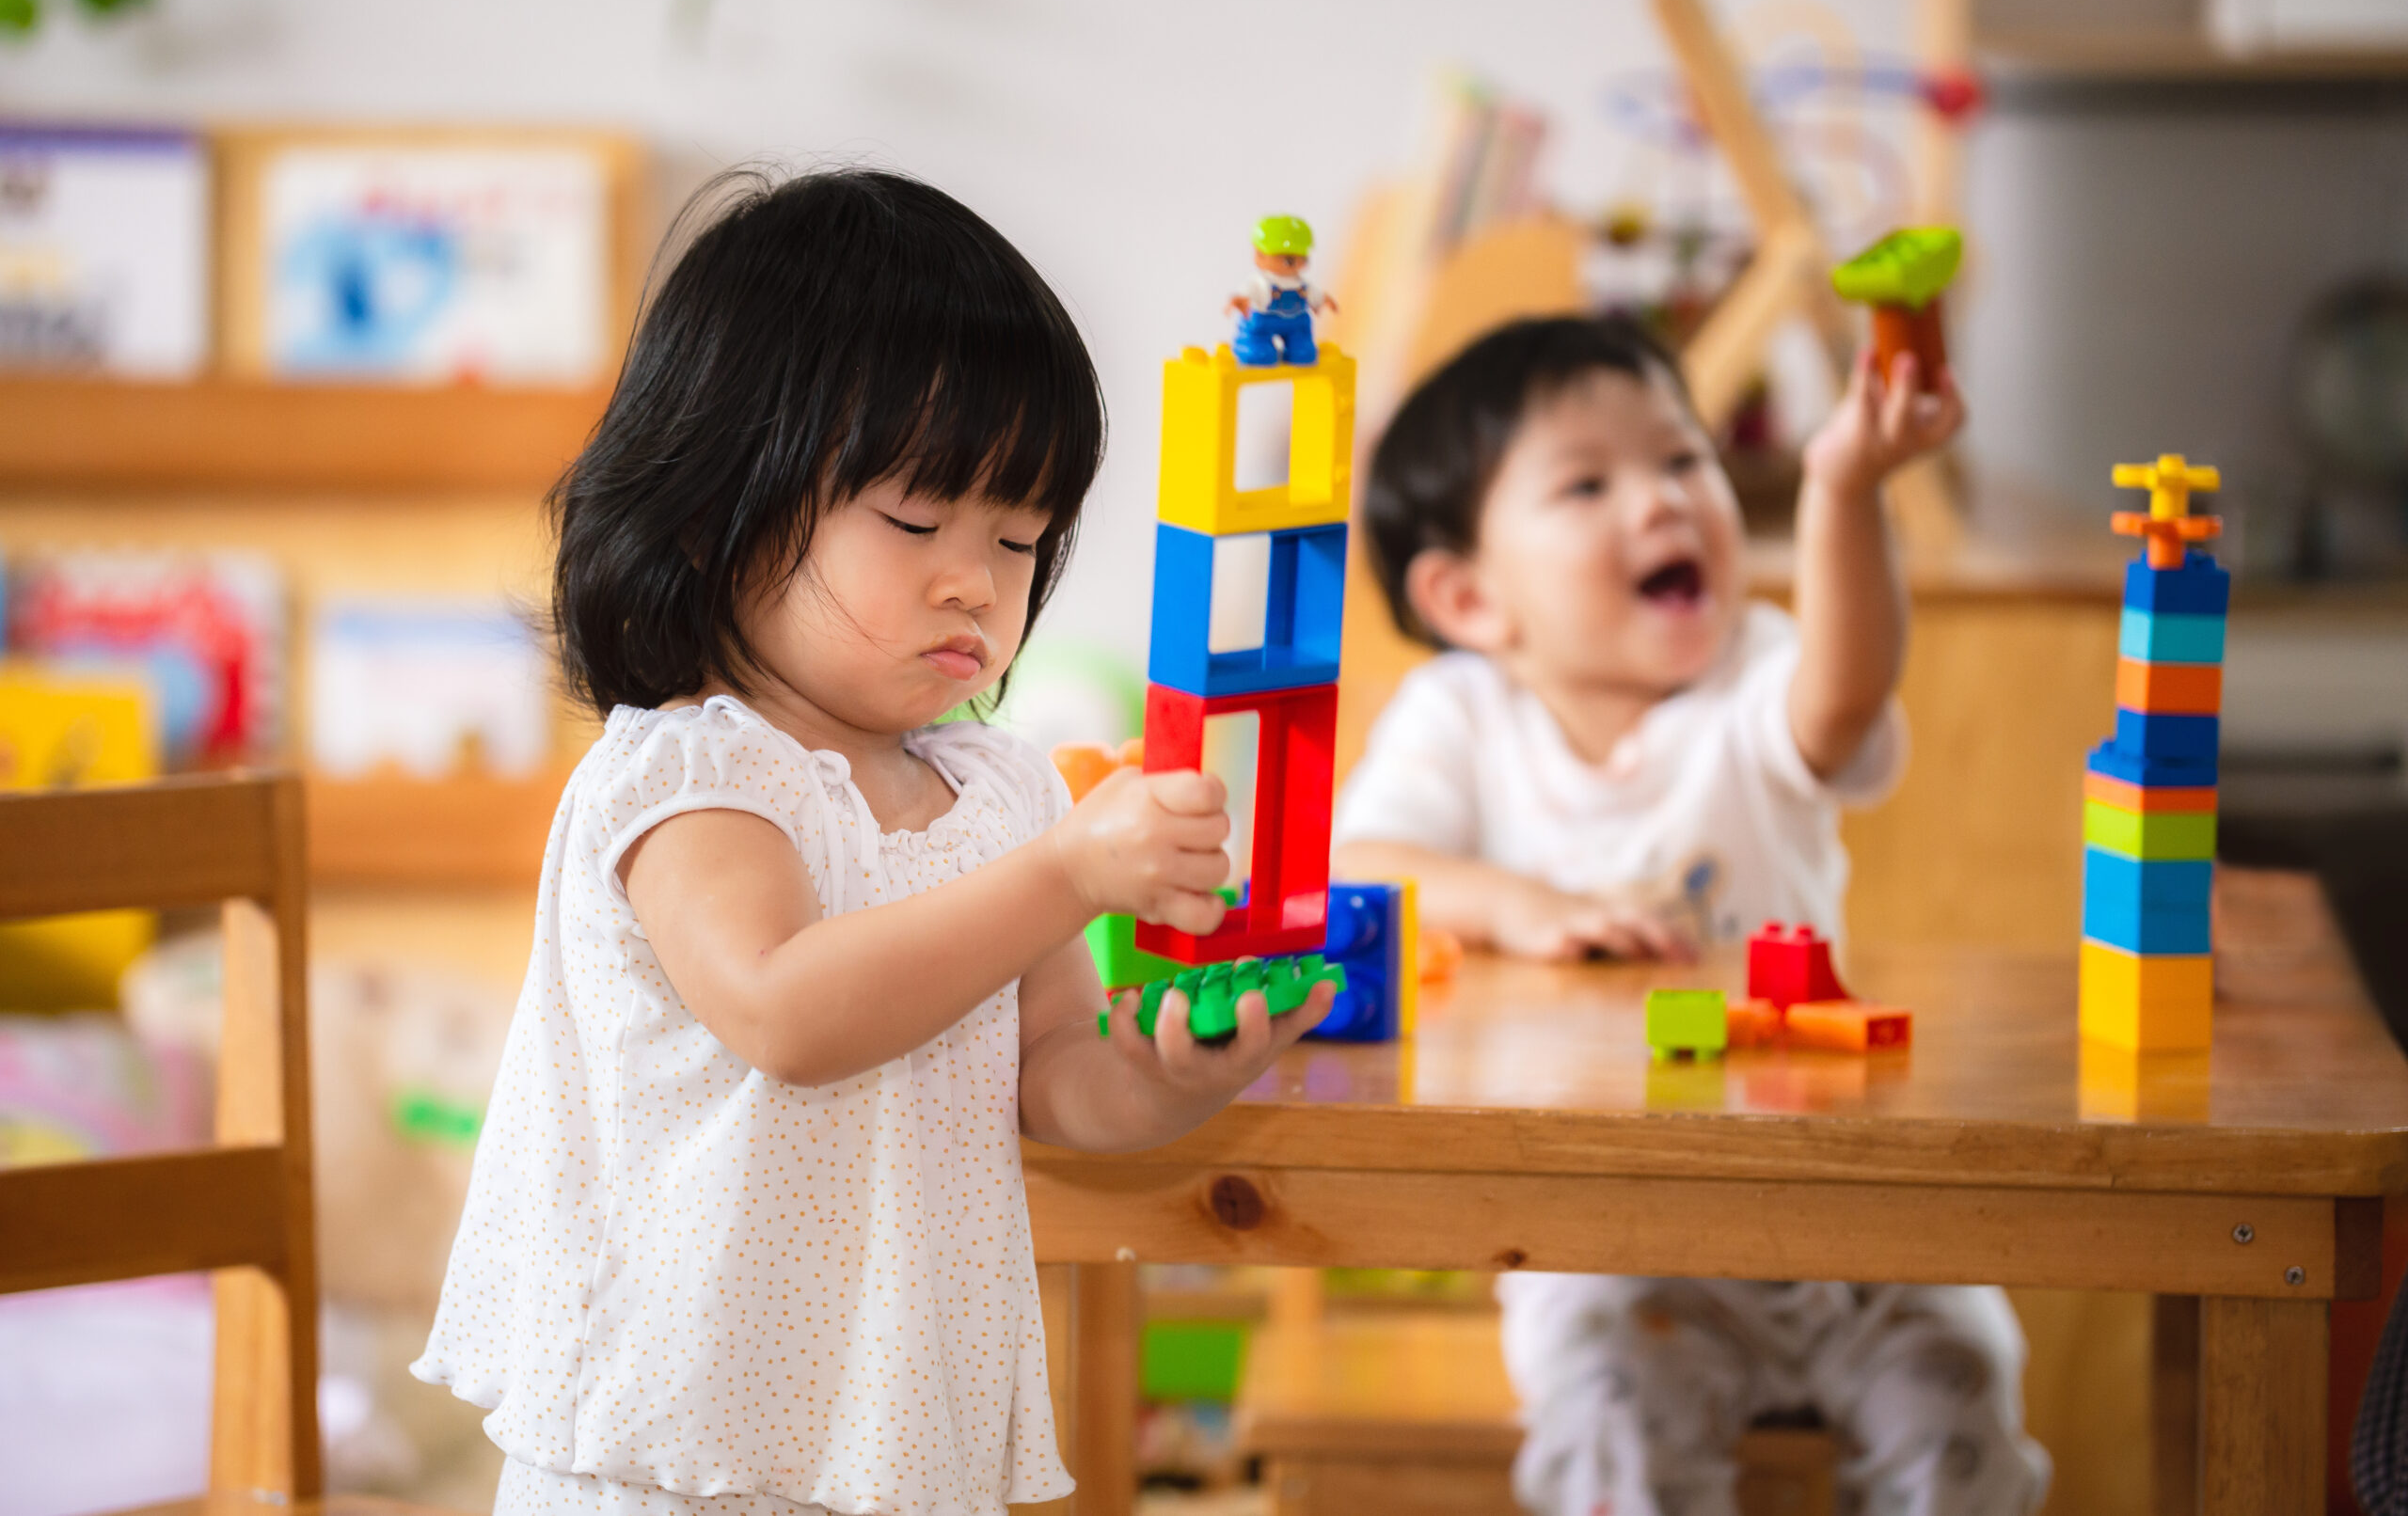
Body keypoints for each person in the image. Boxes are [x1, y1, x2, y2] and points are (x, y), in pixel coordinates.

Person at [413, 167, 1334, 1516]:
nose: (976, 578)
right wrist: (1073, 871)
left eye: (1020, 539)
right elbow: (788, 1006)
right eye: (916, 521)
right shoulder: (695, 774)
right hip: (672, 1445)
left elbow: (1055, 1074)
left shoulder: (1002, 790)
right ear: (712, 512)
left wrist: (1173, 1074)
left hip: (893, 1430)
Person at [1331, 313, 2051, 1516]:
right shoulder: (1459, 717)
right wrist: (1528, 905)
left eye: (1681, 460)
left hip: (1854, 1225)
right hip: (1612, 1242)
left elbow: (1843, 693)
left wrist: (1840, 486)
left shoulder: (1754, 677)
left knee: (1962, 1392)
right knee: (1609, 1434)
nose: (1662, 502)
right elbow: (1366, 861)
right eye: (1587, 483)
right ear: (1467, 596)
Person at [1226, 213, 1336, 366]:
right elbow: (1247, 292)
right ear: (1260, 256)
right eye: (1289, 260)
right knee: (1261, 354)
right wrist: (1240, 300)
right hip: (1263, 322)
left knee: (1304, 354)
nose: (1299, 264)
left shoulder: (1301, 283)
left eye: (1303, 258)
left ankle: (1297, 346)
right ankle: (1249, 344)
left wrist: (1324, 299)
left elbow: (1313, 294)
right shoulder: (1260, 283)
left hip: (1297, 322)